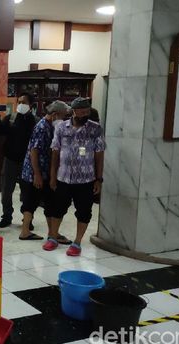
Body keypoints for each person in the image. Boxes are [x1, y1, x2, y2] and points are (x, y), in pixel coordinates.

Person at [46, 97, 105, 256]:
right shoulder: (61, 127)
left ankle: (77, 242)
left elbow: (99, 155)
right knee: (57, 209)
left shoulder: (95, 129)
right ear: (74, 111)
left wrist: (99, 179)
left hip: (86, 179)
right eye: (82, 111)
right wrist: (52, 177)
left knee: (84, 211)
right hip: (63, 177)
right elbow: (55, 153)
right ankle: (53, 237)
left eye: (87, 111)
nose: (85, 114)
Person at [19, 101, 71, 245]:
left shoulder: (51, 126)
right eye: (63, 116)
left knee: (50, 203)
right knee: (31, 202)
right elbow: (34, 151)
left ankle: (52, 233)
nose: (65, 119)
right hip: (36, 173)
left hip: (45, 172)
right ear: (55, 115)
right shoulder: (42, 127)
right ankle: (25, 231)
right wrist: (37, 174)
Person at [0, 92, 37, 229]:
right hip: (10, 160)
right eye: (19, 102)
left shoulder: (35, 121)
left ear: (30, 105)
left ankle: (27, 218)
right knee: (6, 190)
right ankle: (7, 216)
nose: (20, 105)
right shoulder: (11, 118)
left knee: (27, 192)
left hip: (27, 162)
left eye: (23, 102)